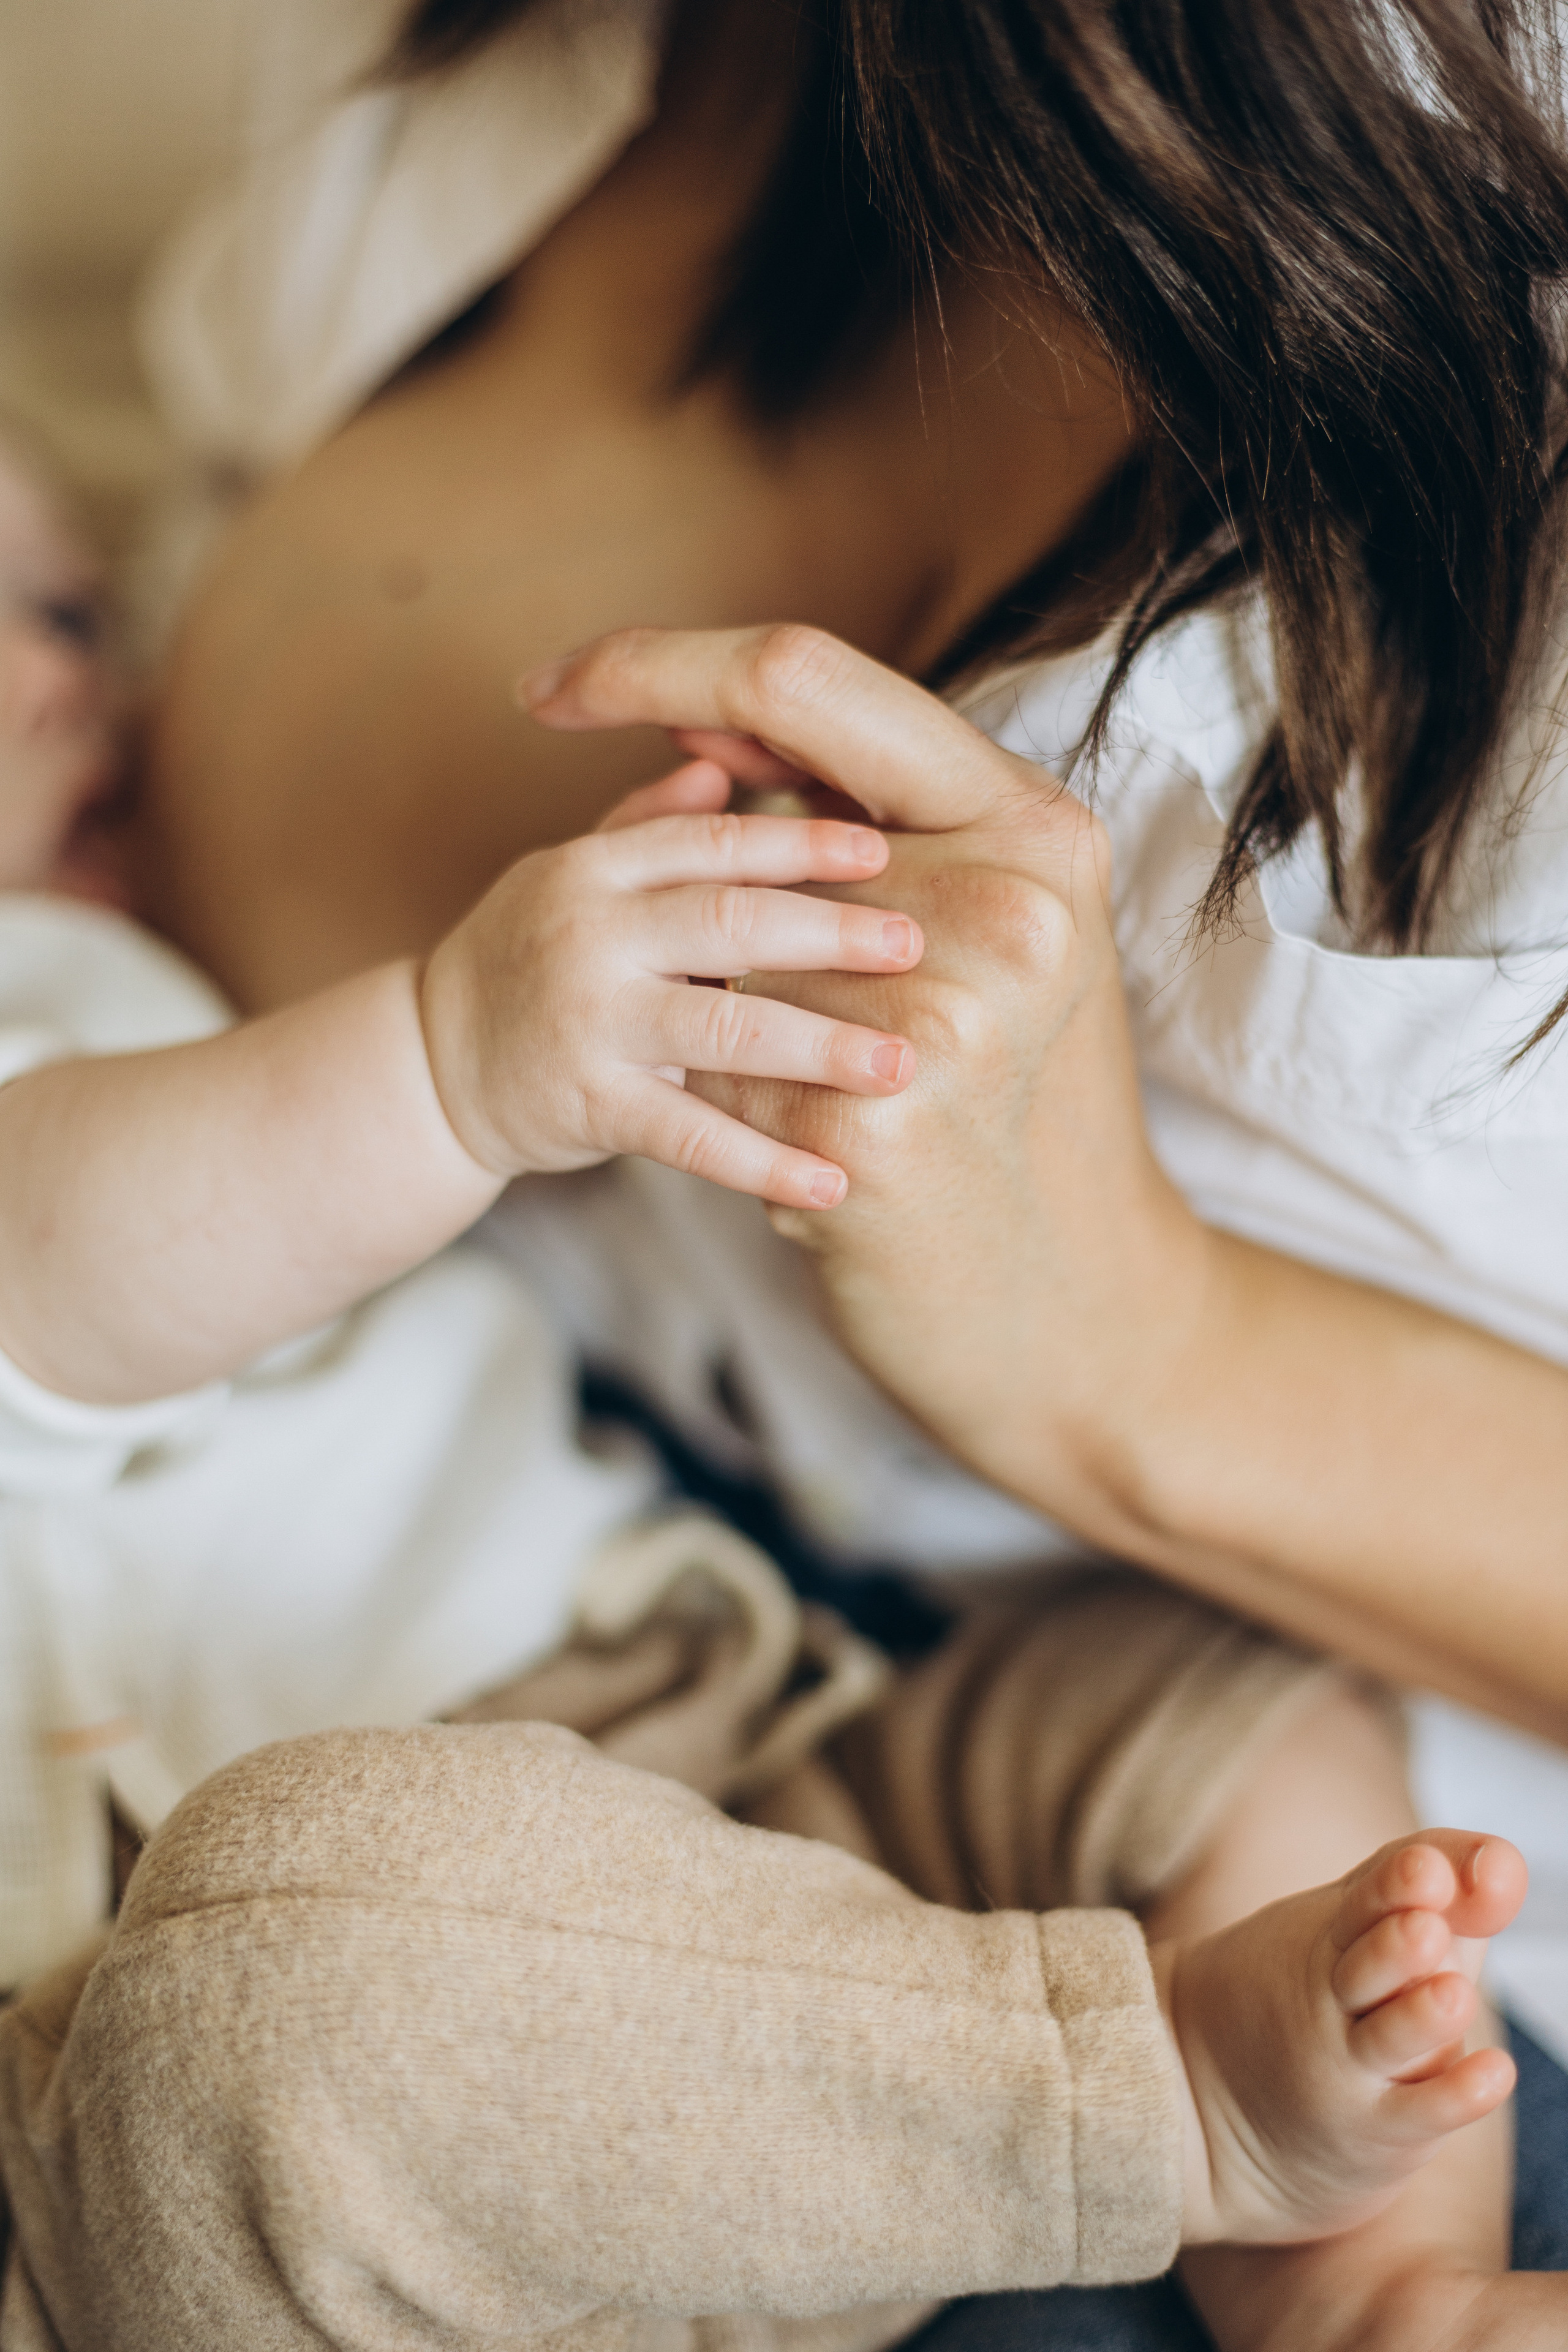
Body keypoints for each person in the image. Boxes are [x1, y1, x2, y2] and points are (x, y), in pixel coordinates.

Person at [0, 422, 1547, 2351]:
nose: (53, 678)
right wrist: (453, 1061)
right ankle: (1157, 2106)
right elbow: (50, 1282)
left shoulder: (141, 982)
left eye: (66, 610)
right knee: (253, 1999)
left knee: (1226, 1695)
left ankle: (1375, 2293)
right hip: (174, 2100)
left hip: (732, 1796)